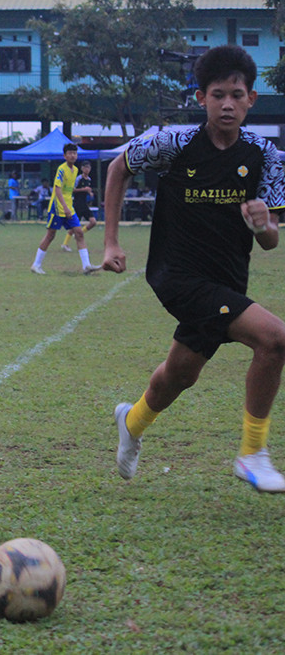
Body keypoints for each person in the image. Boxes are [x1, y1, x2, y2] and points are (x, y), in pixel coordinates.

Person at [102, 45, 285, 492]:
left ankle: (132, 421)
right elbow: (118, 168)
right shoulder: (173, 143)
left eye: (237, 95)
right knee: (276, 339)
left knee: (180, 375)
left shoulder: (267, 156)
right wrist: (110, 241)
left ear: (251, 99)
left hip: (227, 281)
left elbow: (270, 240)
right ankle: (253, 454)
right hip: (177, 275)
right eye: (217, 94)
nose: (227, 104)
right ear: (201, 98)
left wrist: (262, 223)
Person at [29, 144, 100, 275]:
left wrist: (69, 207)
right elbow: (57, 190)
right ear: (65, 156)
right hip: (57, 207)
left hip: (69, 207)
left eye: (75, 153)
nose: (73, 155)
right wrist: (65, 207)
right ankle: (36, 265)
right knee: (50, 235)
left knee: (79, 233)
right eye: (70, 153)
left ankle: (86, 266)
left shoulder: (75, 170)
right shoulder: (61, 169)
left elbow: (70, 191)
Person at [62, 160, 97, 251]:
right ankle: (65, 244)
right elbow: (72, 190)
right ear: (82, 168)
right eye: (85, 167)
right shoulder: (78, 178)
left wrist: (90, 193)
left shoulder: (89, 180)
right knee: (73, 226)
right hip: (77, 204)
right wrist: (83, 189)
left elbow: (87, 189)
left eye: (89, 167)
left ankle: (78, 234)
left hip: (84, 204)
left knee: (93, 222)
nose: (87, 169)